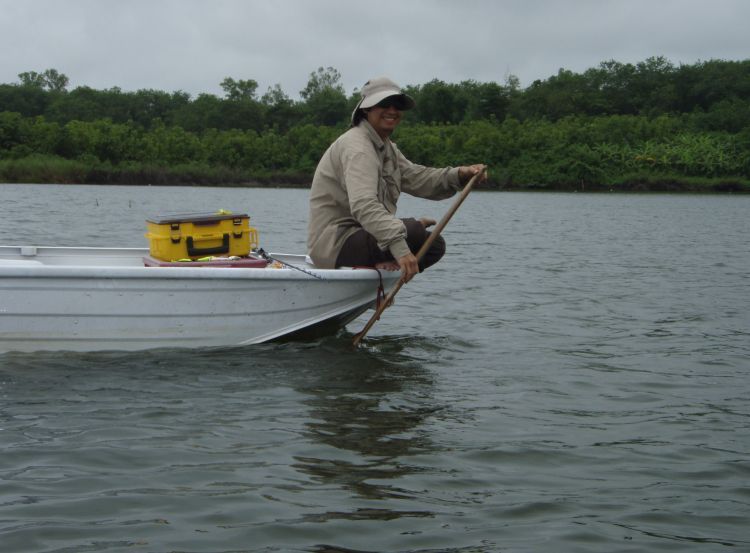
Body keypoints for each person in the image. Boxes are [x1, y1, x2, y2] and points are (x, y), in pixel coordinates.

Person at [307, 76, 486, 283]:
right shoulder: (358, 148)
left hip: (368, 237)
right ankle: (379, 267)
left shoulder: (386, 147)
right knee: (413, 231)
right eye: (384, 104)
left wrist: (460, 174)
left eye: (397, 105)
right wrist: (400, 248)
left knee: (434, 246)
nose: (392, 110)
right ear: (366, 109)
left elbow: (418, 178)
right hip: (336, 245)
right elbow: (364, 205)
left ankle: (378, 271)